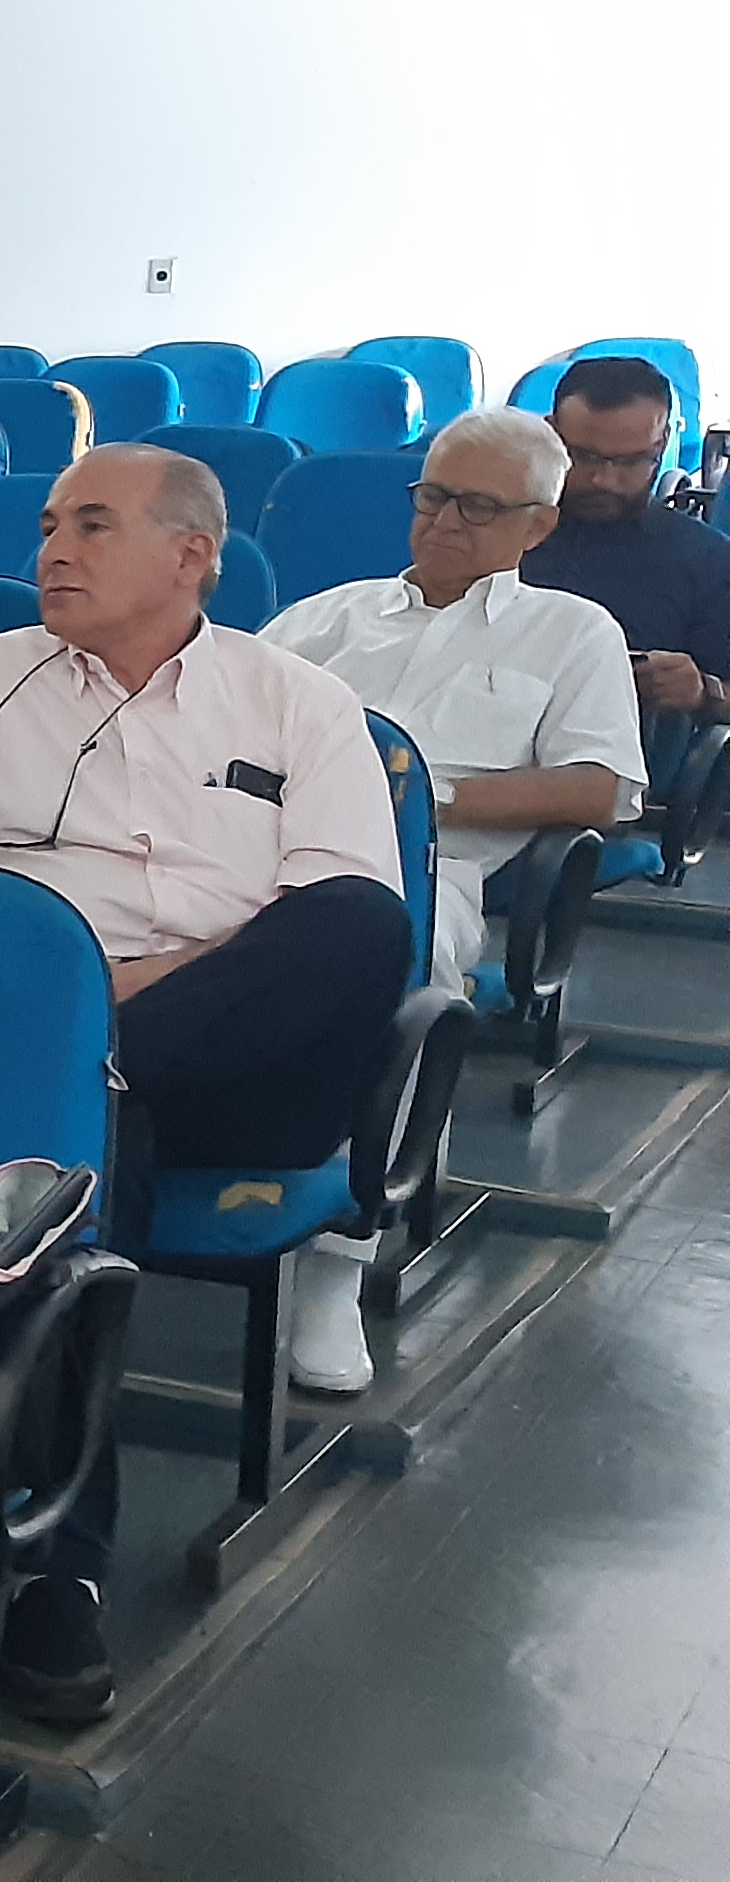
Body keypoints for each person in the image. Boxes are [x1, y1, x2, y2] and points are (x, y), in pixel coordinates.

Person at [0, 443, 408, 1724]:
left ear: (192, 555)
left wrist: (133, 985)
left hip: (232, 1055)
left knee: (354, 927)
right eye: (49, 523)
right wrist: (58, 995)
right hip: (29, 1029)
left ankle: (75, 1084)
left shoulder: (295, 701)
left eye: (92, 525)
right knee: (95, 1127)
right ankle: (66, 1564)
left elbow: (334, 915)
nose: (52, 547)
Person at [255, 407, 632, 1392]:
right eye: (432, 496)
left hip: (424, 869)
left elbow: (600, 786)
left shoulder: (571, 632)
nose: (444, 522)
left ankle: (342, 1252)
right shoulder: (325, 618)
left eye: (477, 505)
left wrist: (425, 796)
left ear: (536, 525)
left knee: (402, 957)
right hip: (258, 847)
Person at [517, 355, 730, 724]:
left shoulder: (708, 560)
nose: (604, 479)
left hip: (625, 753)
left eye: (632, 461)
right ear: (550, 433)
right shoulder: (494, 528)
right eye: (583, 456)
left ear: (662, 443)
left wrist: (704, 692)